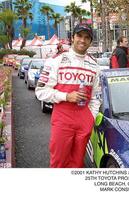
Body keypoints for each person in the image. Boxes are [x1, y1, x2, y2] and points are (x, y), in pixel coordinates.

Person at [35, 23, 101, 168]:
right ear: (73, 37)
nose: (82, 40)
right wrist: (66, 96)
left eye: (87, 37)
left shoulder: (95, 66)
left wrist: (91, 117)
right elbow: (40, 91)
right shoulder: (55, 60)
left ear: (91, 41)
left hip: (84, 119)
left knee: (77, 163)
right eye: (79, 36)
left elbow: (97, 96)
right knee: (59, 162)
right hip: (62, 117)